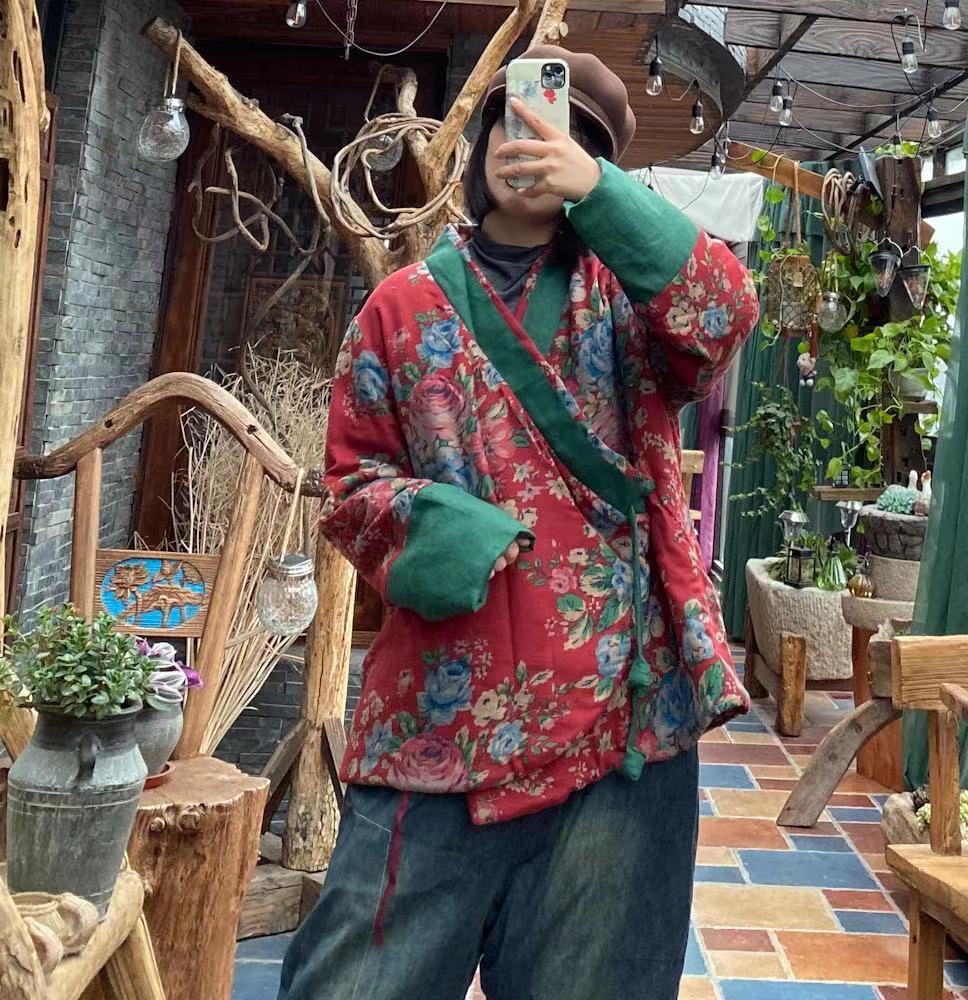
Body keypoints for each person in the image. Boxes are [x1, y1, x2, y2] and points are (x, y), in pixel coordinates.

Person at [279, 46, 759, 1000]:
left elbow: (724, 312)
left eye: (564, 132)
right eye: (512, 119)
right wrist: (439, 531)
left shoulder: (628, 302)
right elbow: (351, 481)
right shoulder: (402, 305)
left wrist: (602, 195)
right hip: (441, 710)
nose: (526, 141)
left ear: (596, 163)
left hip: (621, 722)